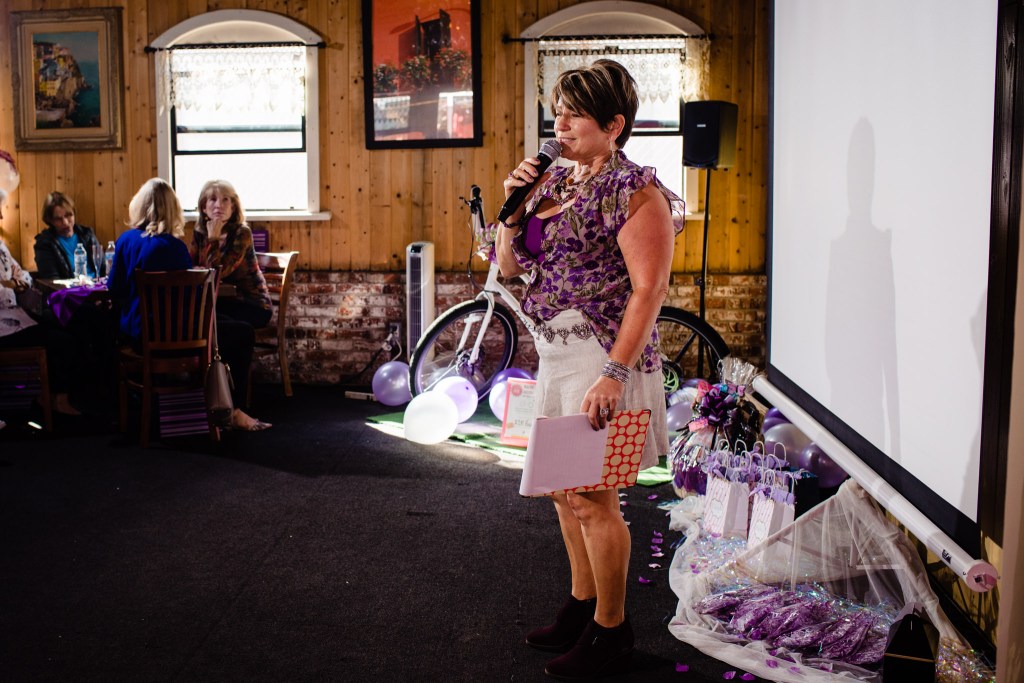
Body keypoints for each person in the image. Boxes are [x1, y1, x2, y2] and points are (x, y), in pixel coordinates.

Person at [495, 60, 683, 679]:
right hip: (556, 354)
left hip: (604, 360)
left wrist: (613, 374)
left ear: (614, 125)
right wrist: (513, 211)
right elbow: (510, 268)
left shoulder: (635, 191)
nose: (561, 123)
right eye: (558, 111)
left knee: (594, 499)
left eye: (575, 114)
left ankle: (611, 631)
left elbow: (650, 289)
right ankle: (581, 607)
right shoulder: (552, 182)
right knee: (564, 494)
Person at [107, 178, 270, 432]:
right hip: (176, 338)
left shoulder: (125, 240)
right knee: (242, 333)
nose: (218, 205)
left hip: (137, 336)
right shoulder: (174, 247)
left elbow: (114, 289)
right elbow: (194, 294)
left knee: (224, 325)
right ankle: (231, 408)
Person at [1, 153, 80, 422]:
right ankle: (54, 400)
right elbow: (12, 284)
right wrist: (11, 285)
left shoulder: (0, 245)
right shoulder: (45, 242)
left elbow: (21, 274)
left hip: (17, 314)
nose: (2, 215)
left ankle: (62, 397)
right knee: (62, 340)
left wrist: (16, 281)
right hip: (4, 324)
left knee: (68, 328)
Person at [189, 180, 273, 329]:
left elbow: (219, 272)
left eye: (225, 200)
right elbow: (190, 265)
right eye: (213, 199)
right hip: (220, 300)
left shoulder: (242, 233)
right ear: (203, 207)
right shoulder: (199, 232)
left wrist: (213, 239)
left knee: (206, 320)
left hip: (252, 304)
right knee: (193, 315)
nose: (219, 205)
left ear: (233, 207)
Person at [34, 191, 104, 280]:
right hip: (70, 288)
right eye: (58, 219)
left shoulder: (87, 234)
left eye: (68, 215)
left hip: (98, 285)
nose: (65, 222)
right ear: (50, 220)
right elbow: (52, 281)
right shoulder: (44, 243)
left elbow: (103, 267)